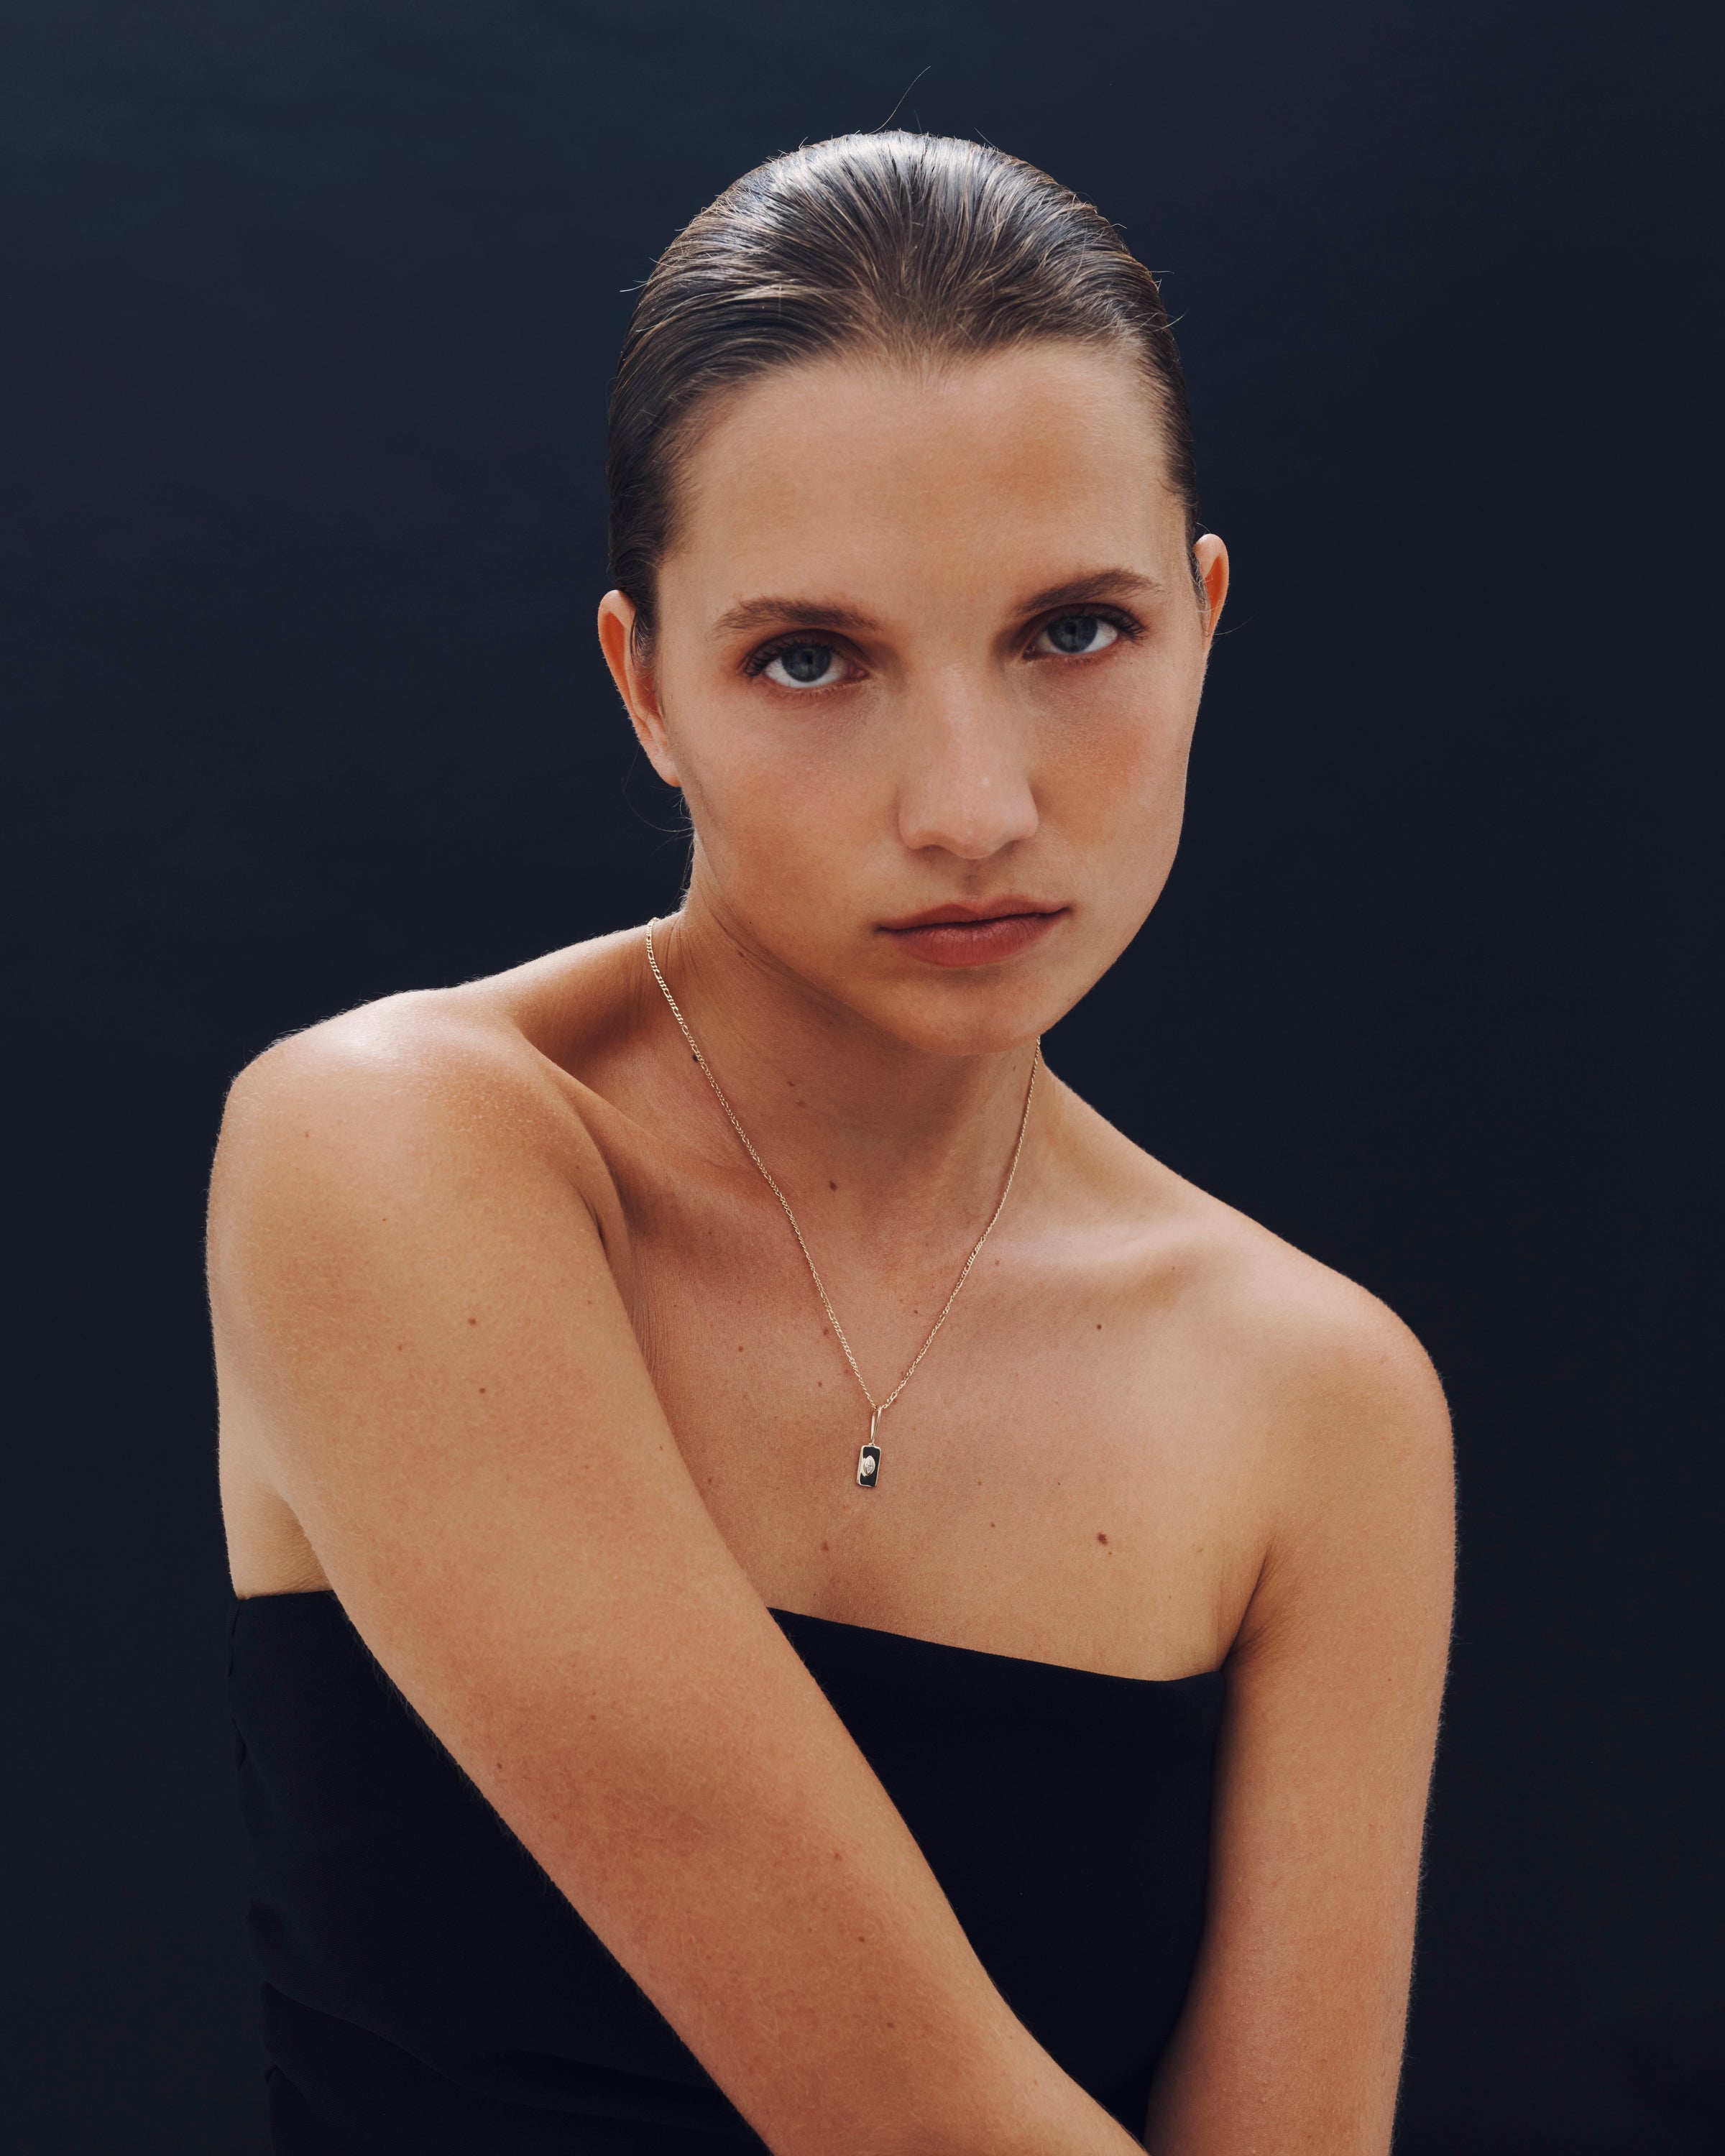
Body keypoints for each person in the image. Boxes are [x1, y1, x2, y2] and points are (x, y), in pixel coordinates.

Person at [209, 132, 1454, 2155]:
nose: (969, 805)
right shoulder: (389, 1145)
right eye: (812, 658)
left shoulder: (1327, 1401)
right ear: (648, 691)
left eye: (1074, 632)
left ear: (1205, 624)